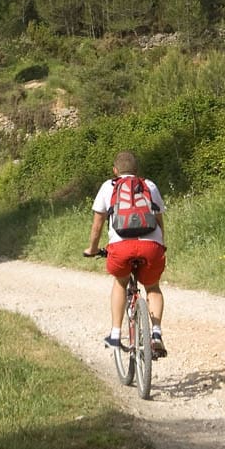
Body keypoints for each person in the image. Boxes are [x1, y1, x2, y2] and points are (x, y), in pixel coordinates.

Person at [84, 149, 168, 358]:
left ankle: (115, 334)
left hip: (121, 247)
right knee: (153, 287)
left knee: (121, 283)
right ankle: (156, 333)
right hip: (152, 246)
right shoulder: (149, 185)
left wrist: (92, 249)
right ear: (136, 170)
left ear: (115, 171)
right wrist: (160, 244)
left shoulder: (108, 186)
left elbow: (97, 226)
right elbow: (158, 221)